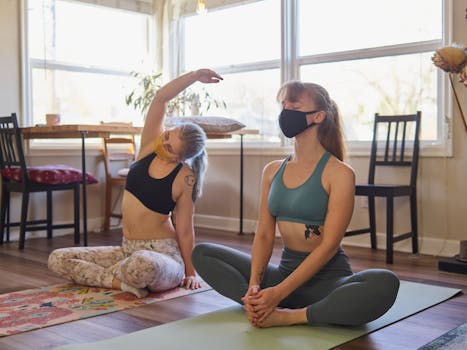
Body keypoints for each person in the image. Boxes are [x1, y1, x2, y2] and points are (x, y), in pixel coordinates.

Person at [192, 81, 400, 327]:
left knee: (385, 282)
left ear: (318, 116)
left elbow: (330, 245)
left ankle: (288, 314)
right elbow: (264, 235)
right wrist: (255, 285)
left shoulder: (339, 173)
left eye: (295, 104)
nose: (286, 109)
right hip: (282, 275)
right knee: (203, 253)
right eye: (284, 104)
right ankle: (259, 302)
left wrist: (279, 294)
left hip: (326, 282)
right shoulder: (272, 171)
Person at [48, 69, 223, 298]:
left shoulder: (185, 176)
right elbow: (160, 97)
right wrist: (194, 77)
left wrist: (191, 273)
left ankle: (111, 277)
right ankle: (118, 282)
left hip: (161, 255)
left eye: (170, 147)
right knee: (58, 258)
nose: (165, 141)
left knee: (142, 265)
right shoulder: (150, 146)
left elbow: (185, 229)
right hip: (126, 249)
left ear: (181, 158)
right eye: (168, 134)